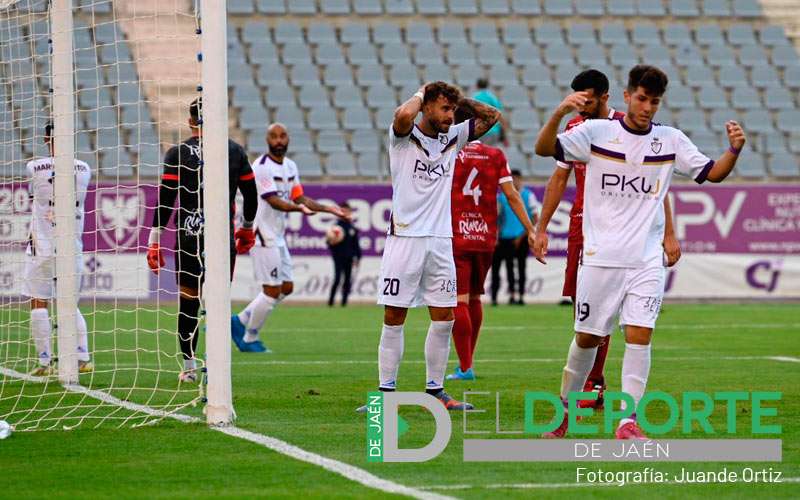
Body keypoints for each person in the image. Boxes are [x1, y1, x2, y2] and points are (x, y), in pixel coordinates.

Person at [533, 65, 746, 439]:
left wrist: (734, 150)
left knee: (640, 334)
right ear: (628, 96)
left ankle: (627, 421)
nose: (648, 107)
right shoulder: (597, 133)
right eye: (643, 99)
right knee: (586, 338)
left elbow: (713, 174)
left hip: (646, 259)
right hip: (600, 257)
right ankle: (563, 413)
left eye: (655, 102)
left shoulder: (671, 140)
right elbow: (543, 149)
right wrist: (559, 113)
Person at [537, 69, 681, 410]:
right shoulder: (576, 129)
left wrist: (670, 233)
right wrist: (541, 227)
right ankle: (585, 385)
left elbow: (658, 185)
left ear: (605, 97)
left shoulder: (630, 127)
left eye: (585, 100)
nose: (580, 107)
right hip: (584, 227)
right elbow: (558, 178)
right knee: (584, 314)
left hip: (628, 233)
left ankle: (596, 384)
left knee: (623, 320)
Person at [356, 81, 501, 412]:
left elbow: (492, 116)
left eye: (452, 110)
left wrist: (457, 99)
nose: (451, 116)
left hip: (440, 241)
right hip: (405, 238)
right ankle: (385, 394)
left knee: (445, 317)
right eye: (444, 109)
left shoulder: (453, 137)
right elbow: (402, 114)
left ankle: (436, 391)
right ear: (426, 107)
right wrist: (423, 93)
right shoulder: (403, 137)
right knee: (394, 315)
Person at [147, 97, 259, 382]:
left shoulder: (177, 153)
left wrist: (154, 240)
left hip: (188, 236)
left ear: (189, 121)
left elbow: (166, 200)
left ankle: (189, 369)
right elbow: (251, 194)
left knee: (188, 302)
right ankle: (218, 367)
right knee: (219, 302)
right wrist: (246, 228)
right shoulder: (234, 151)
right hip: (221, 239)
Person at [231, 123, 347, 352]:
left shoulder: (290, 166)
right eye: (274, 136)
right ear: (267, 140)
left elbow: (300, 198)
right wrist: (298, 209)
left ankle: (240, 320)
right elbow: (272, 200)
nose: (279, 140)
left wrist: (328, 209)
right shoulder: (261, 167)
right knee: (272, 290)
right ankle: (249, 338)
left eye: (283, 135)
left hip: (278, 235)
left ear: (288, 138)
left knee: (287, 286)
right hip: (262, 233)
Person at [446, 106, 535, 381]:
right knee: (474, 297)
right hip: (485, 237)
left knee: (457, 300)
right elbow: (512, 195)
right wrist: (531, 229)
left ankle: (465, 366)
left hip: (456, 234)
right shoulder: (495, 155)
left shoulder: (448, 150)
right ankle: (466, 365)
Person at [24, 123, 93, 376]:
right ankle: (83, 356)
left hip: (41, 244)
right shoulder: (84, 168)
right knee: (69, 301)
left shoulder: (33, 167)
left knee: (38, 300)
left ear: (46, 138)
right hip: (70, 244)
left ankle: (44, 361)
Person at [491, 170, 538, 305]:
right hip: (504, 237)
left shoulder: (528, 195)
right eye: (512, 179)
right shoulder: (501, 197)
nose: (515, 182)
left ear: (520, 180)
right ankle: (508, 295)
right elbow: (496, 218)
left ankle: (521, 296)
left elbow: (535, 217)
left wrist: (525, 233)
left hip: (522, 237)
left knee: (522, 267)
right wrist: (496, 235)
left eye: (517, 179)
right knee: (507, 267)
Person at [327, 202, 361, 307]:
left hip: (349, 258)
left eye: (347, 211)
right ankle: (331, 302)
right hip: (338, 257)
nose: (345, 213)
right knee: (337, 279)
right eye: (342, 211)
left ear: (350, 212)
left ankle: (344, 303)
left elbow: (356, 244)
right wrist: (331, 241)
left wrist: (358, 258)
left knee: (347, 280)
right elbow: (329, 242)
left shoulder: (352, 227)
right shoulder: (336, 227)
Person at [472, 78, 509, 148]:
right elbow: (499, 114)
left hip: (479, 129)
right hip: (493, 130)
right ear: (487, 86)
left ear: (477, 86)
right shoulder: (492, 97)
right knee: (490, 154)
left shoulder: (474, 97)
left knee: (480, 153)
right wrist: (504, 133)